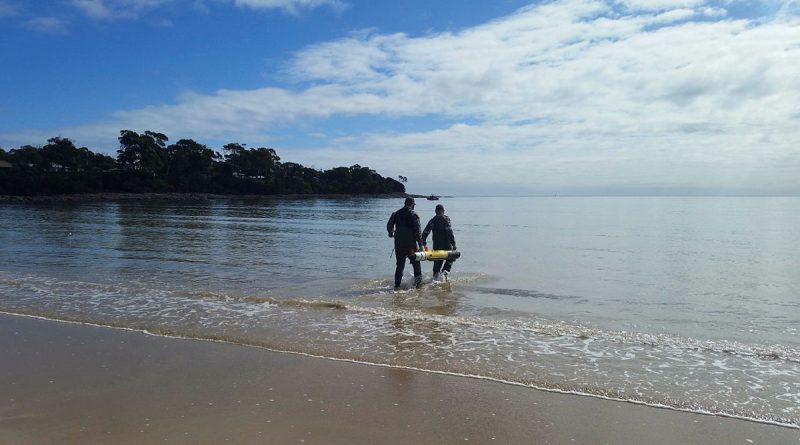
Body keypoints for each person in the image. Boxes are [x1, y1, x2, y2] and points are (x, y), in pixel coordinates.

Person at [387, 197, 424, 288]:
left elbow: (389, 225)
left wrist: (391, 233)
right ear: (412, 204)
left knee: (399, 265)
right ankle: (418, 286)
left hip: (399, 244)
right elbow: (418, 231)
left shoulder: (396, 213)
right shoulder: (414, 215)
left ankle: (397, 286)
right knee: (416, 264)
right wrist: (420, 245)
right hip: (410, 245)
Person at [422, 204, 457, 280]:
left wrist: (423, 242)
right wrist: (454, 244)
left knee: (437, 265)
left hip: (437, 246)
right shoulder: (446, 219)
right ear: (442, 211)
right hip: (447, 245)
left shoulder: (432, 220)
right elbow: (449, 231)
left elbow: (425, 232)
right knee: (450, 260)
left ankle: (435, 279)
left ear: (435, 211)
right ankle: (444, 274)